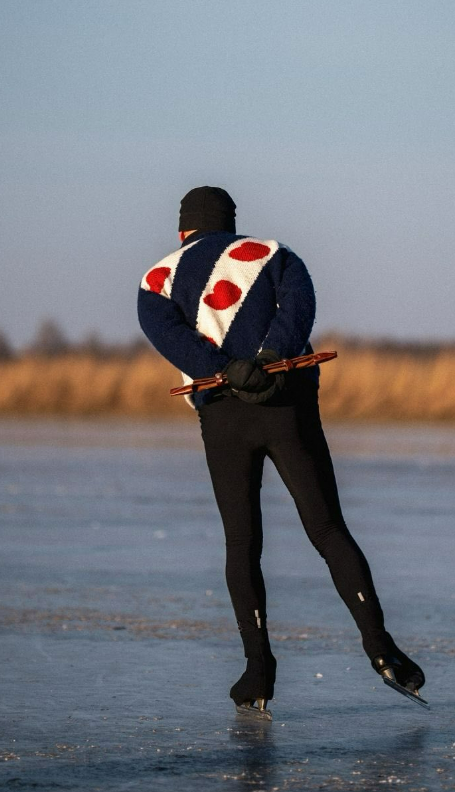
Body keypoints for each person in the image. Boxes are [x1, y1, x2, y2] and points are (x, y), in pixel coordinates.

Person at [137, 186, 425, 716]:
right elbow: (299, 307)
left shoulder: (156, 279)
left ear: (183, 230)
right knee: (328, 529)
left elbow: (169, 336)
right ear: (230, 223)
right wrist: (270, 355)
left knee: (242, 542)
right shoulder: (275, 254)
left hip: (223, 414)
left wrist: (224, 371)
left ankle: (258, 669)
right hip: (287, 403)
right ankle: (382, 649)